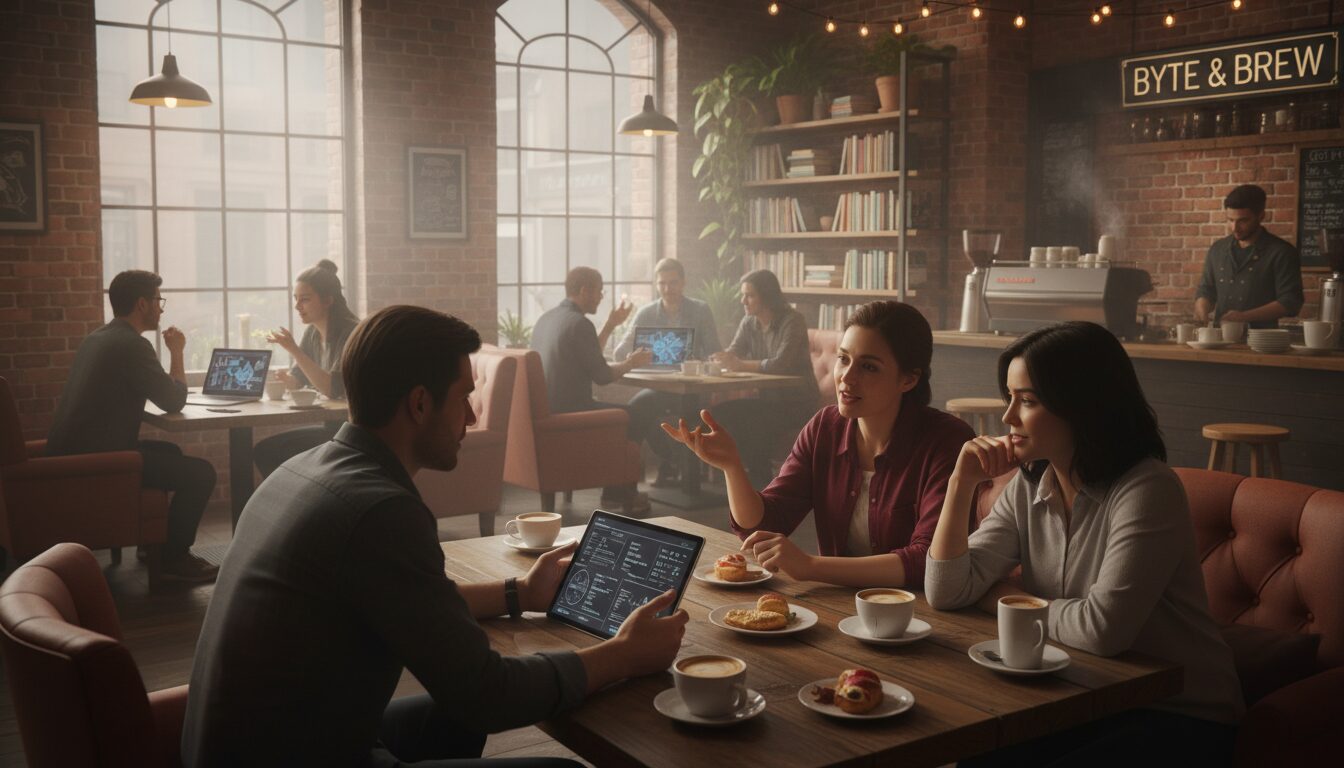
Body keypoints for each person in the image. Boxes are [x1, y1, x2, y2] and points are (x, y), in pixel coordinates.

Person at [182, 305, 688, 767]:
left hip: (262, 744)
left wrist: (520, 593)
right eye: (464, 397)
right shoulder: (380, 511)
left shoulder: (301, 469)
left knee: (452, 714)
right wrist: (622, 654)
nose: (471, 415)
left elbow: (411, 605)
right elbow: (487, 693)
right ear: (419, 404)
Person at [926, 321, 1243, 765]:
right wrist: (960, 484)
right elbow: (946, 591)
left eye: (1028, 401)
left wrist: (1005, 598)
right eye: (1010, 398)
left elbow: (1102, 630)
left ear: (1083, 406)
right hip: (1081, 695)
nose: (1008, 417)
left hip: (1180, 711)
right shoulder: (1028, 484)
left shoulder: (1148, 489)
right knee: (978, 756)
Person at [663, 301, 973, 587]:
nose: (846, 378)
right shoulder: (825, 428)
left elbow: (928, 561)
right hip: (839, 605)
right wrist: (731, 466)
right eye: (843, 359)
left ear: (908, 379)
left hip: (918, 616)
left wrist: (811, 566)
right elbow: (765, 523)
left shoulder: (947, 442)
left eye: (869, 367)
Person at [45, 270, 218, 582]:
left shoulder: (98, 337)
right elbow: (173, 401)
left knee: (169, 450)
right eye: (158, 300)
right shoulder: (132, 345)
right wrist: (178, 351)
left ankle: (153, 544)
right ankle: (173, 558)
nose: (161, 308)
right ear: (142, 304)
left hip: (74, 456)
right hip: (99, 464)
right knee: (201, 473)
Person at [531, 267, 655, 512]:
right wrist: (632, 362)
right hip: (573, 413)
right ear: (585, 291)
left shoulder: (548, 319)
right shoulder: (580, 323)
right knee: (637, 414)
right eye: (599, 291)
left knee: (631, 411)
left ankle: (616, 492)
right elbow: (602, 376)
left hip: (551, 411)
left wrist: (610, 325)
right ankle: (621, 494)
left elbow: (588, 357)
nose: (601, 296)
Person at [613, 258, 721, 487]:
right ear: (656, 284)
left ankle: (680, 470)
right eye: (662, 283)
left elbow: (714, 351)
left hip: (693, 385)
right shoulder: (646, 313)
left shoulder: (700, 310)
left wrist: (700, 361)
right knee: (637, 409)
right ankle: (668, 460)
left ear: (683, 283)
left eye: (673, 283)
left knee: (686, 412)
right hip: (659, 386)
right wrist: (634, 356)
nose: (667, 289)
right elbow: (620, 351)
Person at [706, 269, 815, 489]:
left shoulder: (793, 321)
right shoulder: (749, 321)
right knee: (719, 415)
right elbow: (734, 352)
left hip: (797, 403)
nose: (742, 300)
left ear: (766, 296)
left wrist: (739, 364)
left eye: (749, 295)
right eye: (742, 294)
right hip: (768, 401)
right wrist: (719, 359)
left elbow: (780, 363)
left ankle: (761, 484)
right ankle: (750, 479)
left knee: (754, 422)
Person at [253, 259, 360, 476]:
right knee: (265, 451)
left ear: (328, 300)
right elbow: (298, 379)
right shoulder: (313, 332)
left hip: (352, 431)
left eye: (305, 299)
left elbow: (332, 389)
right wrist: (283, 378)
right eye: (296, 299)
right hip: (332, 426)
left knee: (271, 451)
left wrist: (294, 350)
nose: (297, 306)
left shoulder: (351, 333)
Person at [1194, 183, 1304, 328]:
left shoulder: (1281, 252)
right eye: (1230, 220)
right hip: (1220, 340)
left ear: (1261, 216)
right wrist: (1202, 310)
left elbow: (1291, 302)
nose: (1235, 228)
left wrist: (1244, 317)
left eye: (1243, 221)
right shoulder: (1217, 249)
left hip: (1262, 343)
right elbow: (1206, 290)